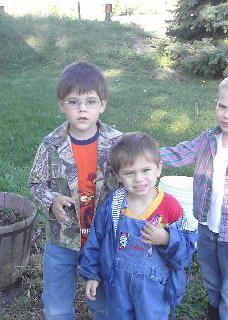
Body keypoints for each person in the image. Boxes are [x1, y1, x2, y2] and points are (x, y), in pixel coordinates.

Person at [160, 73, 228, 320]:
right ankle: (214, 313)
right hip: (207, 230)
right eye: (222, 106)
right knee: (212, 281)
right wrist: (147, 158)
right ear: (216, 104)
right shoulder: (209, 140)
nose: (227, 115)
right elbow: (180, 154)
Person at [29, 61, 123, 320]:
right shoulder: (50, 146)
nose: (82, 109)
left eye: (91, 102)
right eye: (73, 102)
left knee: (105, 307)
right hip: (62, 240)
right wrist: (51, 200)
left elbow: (136, 183)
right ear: (62, 104)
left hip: (104, 240)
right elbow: (36, 184)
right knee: (56, 308)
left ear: (102, 104)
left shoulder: (118, 144)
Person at [80, 132, 197, 320]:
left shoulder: (170, 207)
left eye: (146, 170)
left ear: (159, 168)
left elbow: (187, 250)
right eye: (129, 173)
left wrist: (167, 239)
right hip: (118, 283)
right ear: (118, 176)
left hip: (153, 288)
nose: (139, 179)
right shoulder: (114, 205)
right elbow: (96, 239)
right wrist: (92, 274)